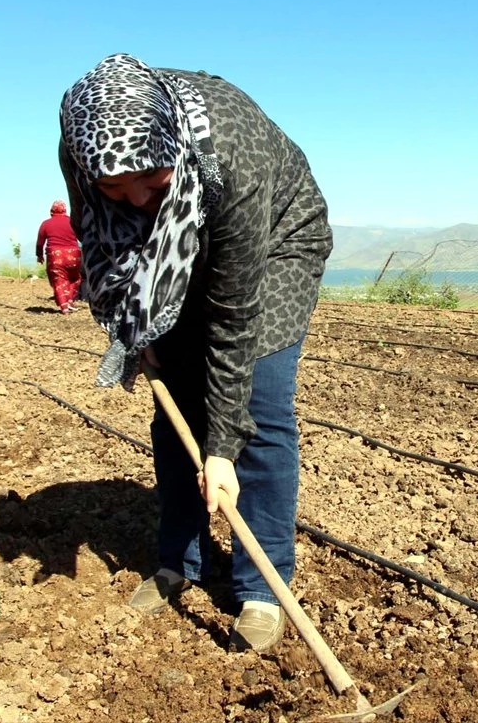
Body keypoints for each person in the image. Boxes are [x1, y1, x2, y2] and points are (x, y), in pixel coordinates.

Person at [58, 53, 332, 652]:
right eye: (114, 186)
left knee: (256, 402)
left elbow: (233, 314)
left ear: (173, 156)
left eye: (150, 183)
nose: (133, 200)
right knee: (177, 399)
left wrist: (225, 449)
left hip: (275, 240)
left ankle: (261, 586)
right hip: (170, 251)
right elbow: (101, 236)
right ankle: (180, 558)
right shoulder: (82, 146)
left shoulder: (229, 153)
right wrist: (138, 326)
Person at [35, 200, 83, 314]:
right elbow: (82, 235)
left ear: (51, 211)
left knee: (59, 280)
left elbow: (40, 242)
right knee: (75, 278)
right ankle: (70, 299)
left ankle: (64, 306)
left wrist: (39, 255)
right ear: (65, 210)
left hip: (56, 256)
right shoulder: (72, 222)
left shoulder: (46, 224)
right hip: (73, 255)